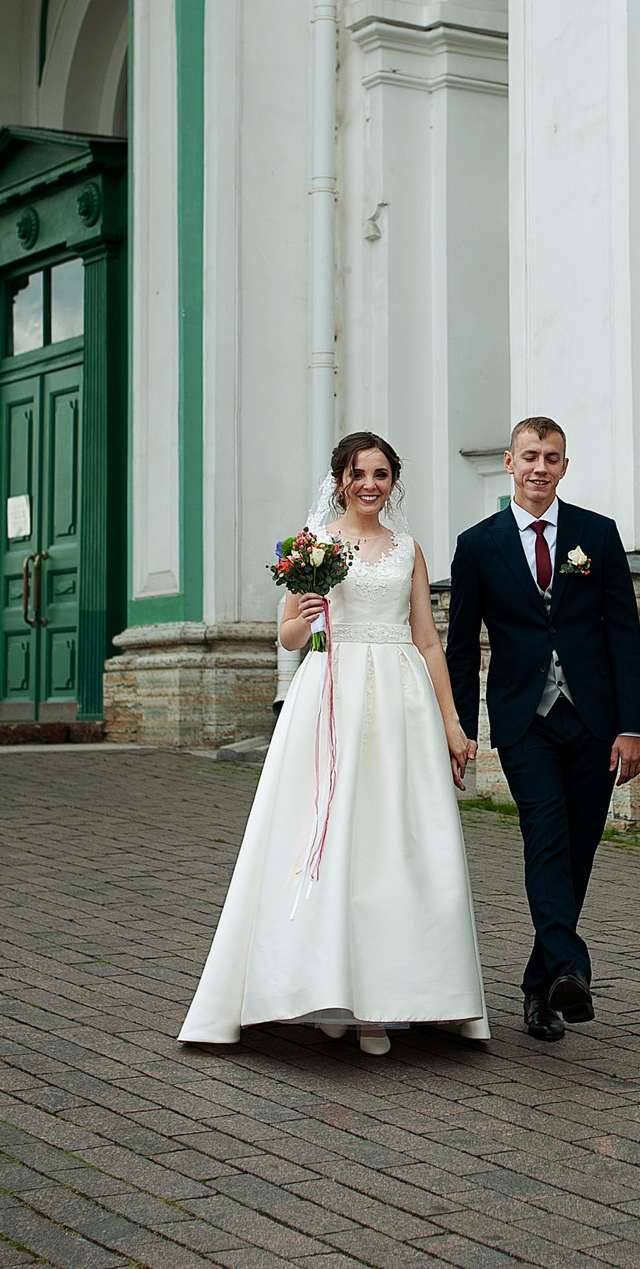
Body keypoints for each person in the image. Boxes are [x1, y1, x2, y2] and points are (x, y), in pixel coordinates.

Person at [179, 432, 490, 1053]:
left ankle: (382, 1003)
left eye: (380, 474)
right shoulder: (313, 544)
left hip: (400, 702)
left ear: (393, 481)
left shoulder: (408, 549)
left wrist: (453, 724)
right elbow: (289, 638)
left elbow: (429, 640)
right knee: (327, 834)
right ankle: (326, 989)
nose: (369, 485)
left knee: (392, 841)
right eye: (358, 474)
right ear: (340, 479)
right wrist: (306, 615)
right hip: (331, 695)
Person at [445, 417, 640, 1044]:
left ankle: (542, 985)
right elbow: (461, 649)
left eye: (551, 458)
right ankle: (570, 966)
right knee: (546, 837)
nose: (540, 467)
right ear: (509, 462)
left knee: (578, 850)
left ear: (564, 465)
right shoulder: (477, 545)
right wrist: (459, 729)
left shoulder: (597, 534)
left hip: (594, 720)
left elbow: (624, 634)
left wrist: (632, 727)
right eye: (529, 456)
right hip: (523, 720)